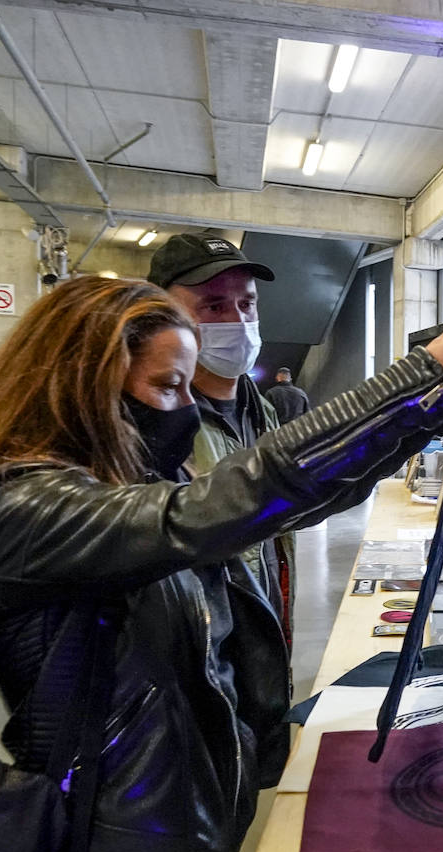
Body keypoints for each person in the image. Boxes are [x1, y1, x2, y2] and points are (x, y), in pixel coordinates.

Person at [0, 276, 443, 852]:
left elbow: (292, 504)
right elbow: (216, 506)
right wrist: (413, 381)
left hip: (184, 832)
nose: (185, 411)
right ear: (83, 383)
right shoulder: (21, 509)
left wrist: (435, 407)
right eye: (167, 387)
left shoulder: (112, 484)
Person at [148, 234, 295, 642]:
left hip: (263, 631)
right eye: (213, 306)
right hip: (203, 653)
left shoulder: (259, 408)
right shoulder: (153, 423)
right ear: (162, 314)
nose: (238, 322)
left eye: (246, 304)